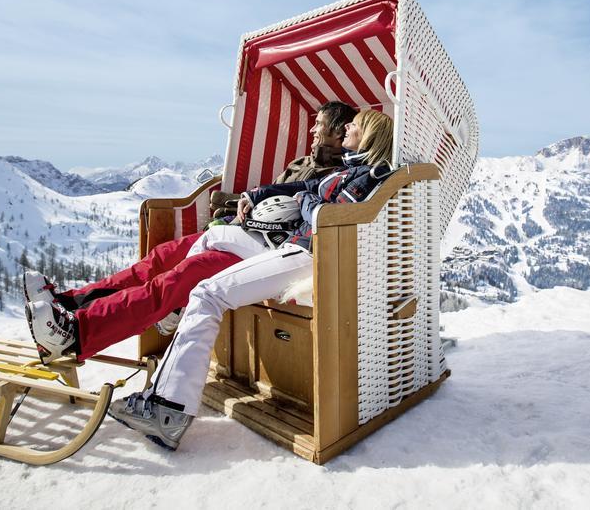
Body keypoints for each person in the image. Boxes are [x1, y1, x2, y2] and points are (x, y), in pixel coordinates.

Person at [107, 110, 396, 451]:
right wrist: (256, 195)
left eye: (355, 125)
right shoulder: (348, 170)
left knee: (207, 294)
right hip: (295, 248)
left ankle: (168, 409)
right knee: (211, 238)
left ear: (371, 137)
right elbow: (302, 186)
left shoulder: (367, 177)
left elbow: (326, 217)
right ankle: (176, 308)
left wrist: (305, 202)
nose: (348, 127)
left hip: (310, 257)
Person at [24, 101, 357, 363]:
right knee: (158, 260)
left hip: (261, 249)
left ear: (339, 133)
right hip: (238, 231)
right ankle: (68, 303)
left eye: (320, 125)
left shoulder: (337, 176)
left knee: (177, 279)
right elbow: (267, 192)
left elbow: (306, 214)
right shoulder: (302, 164)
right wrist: (239, 199)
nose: (312, 130)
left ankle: (77, 332)